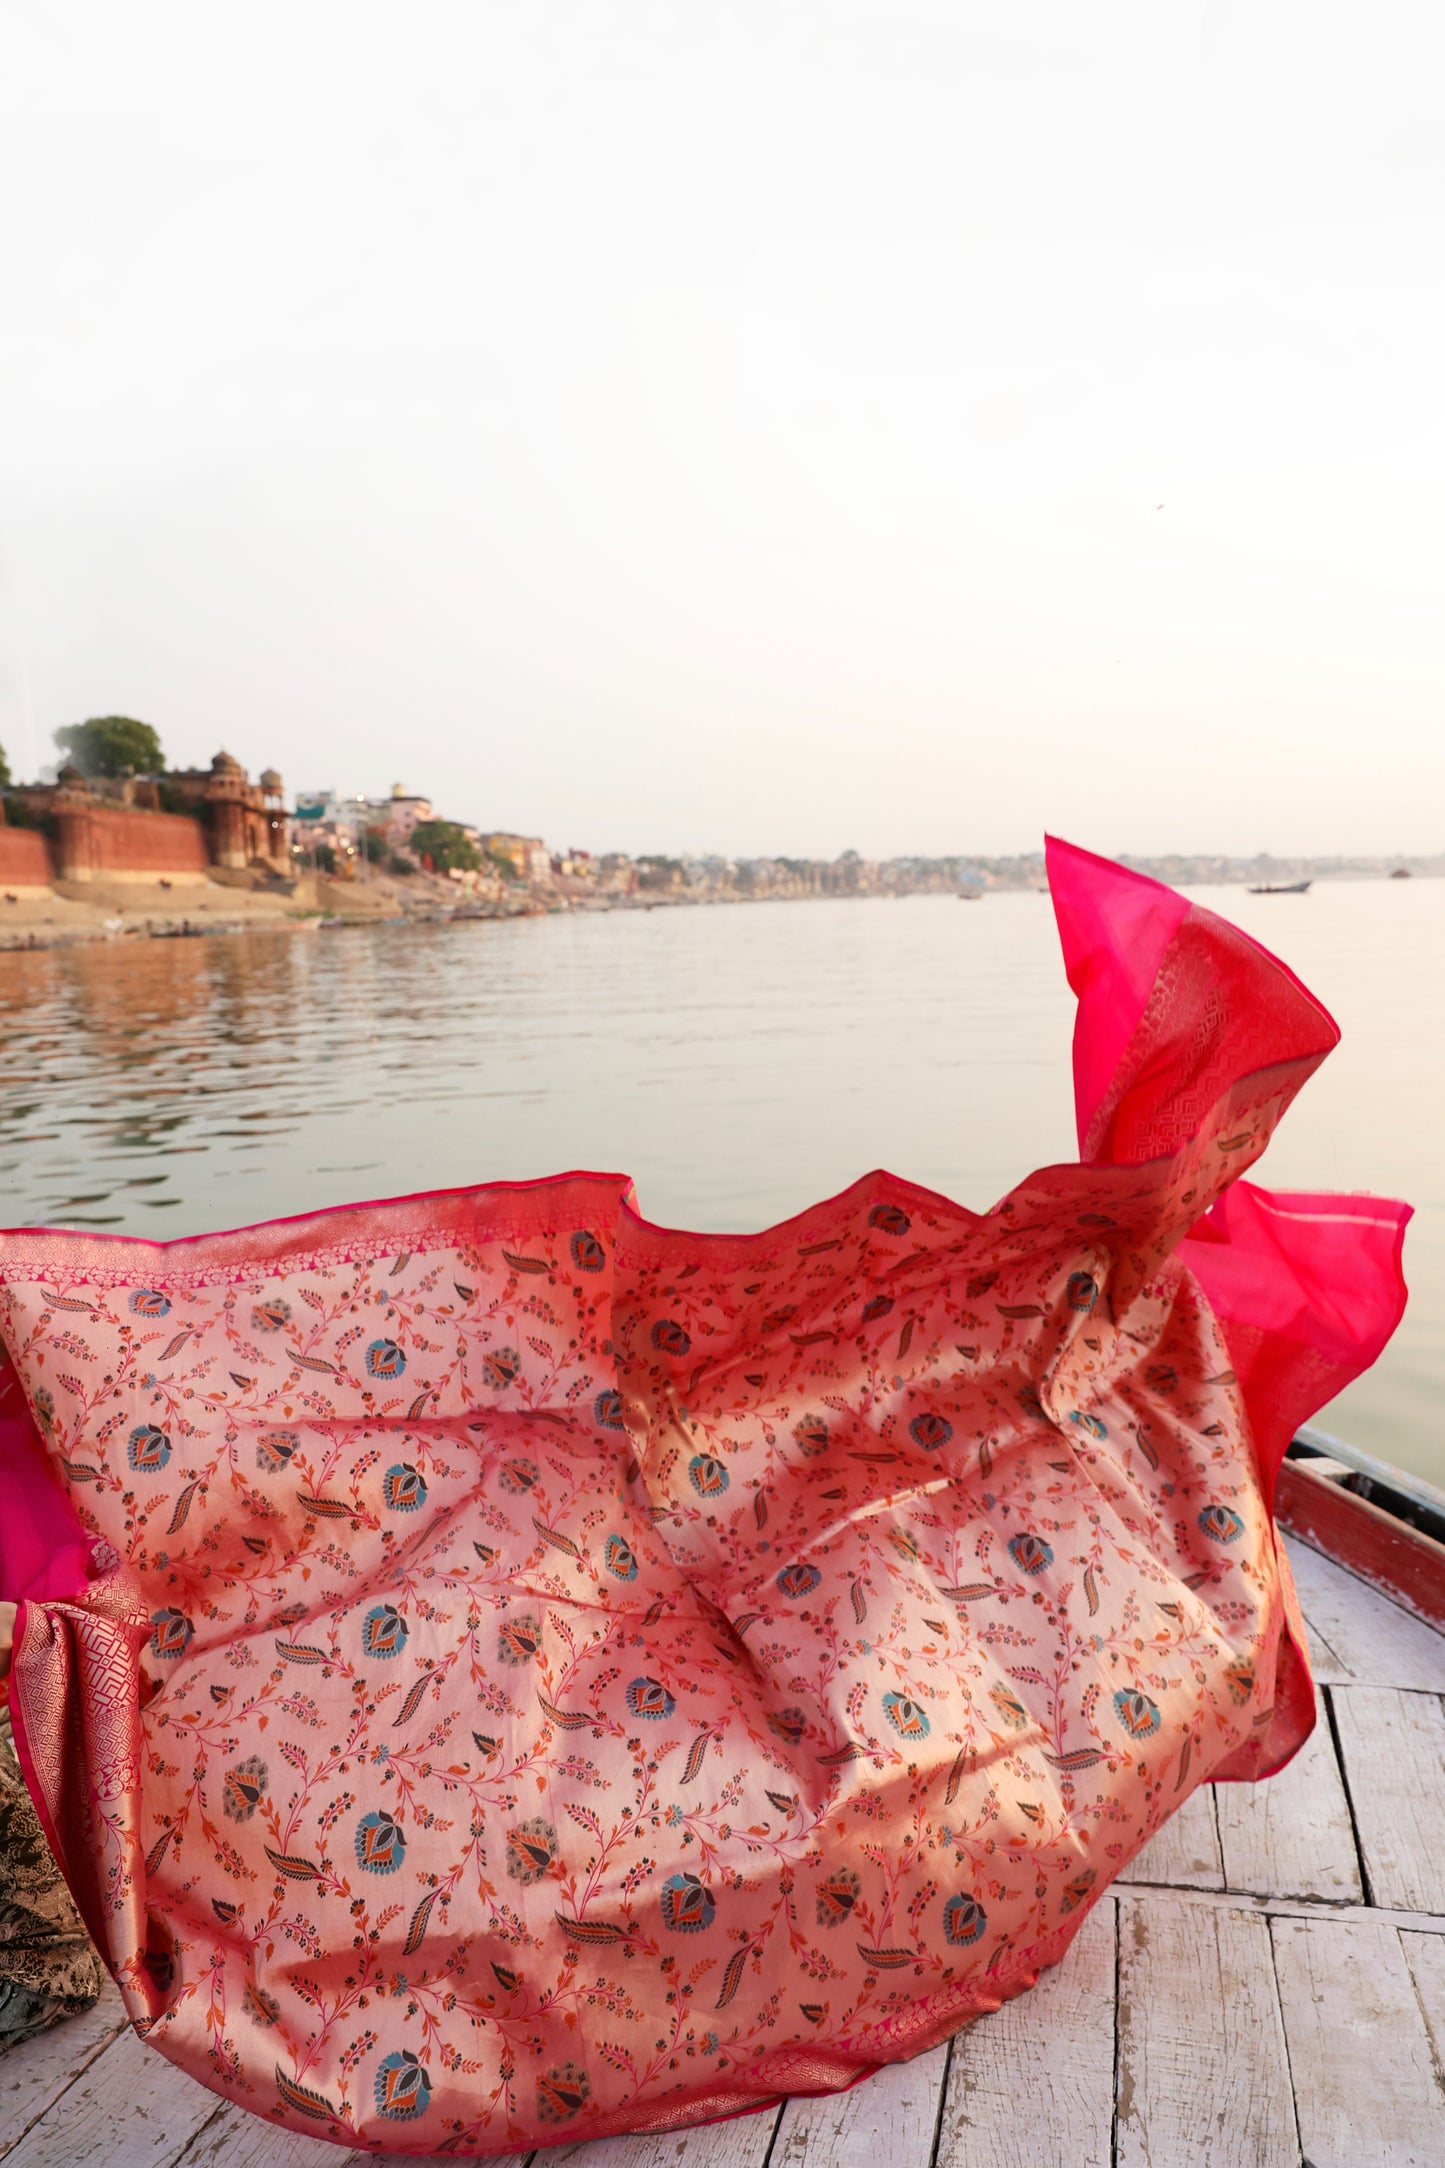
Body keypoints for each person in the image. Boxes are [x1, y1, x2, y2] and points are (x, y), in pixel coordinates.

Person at [0, 841, 1408, 2149]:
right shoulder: (1105, 1335)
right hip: (622, 1543)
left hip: (768, 1539)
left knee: (798, 1559)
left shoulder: (1100, 1338)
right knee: (541, 1538)